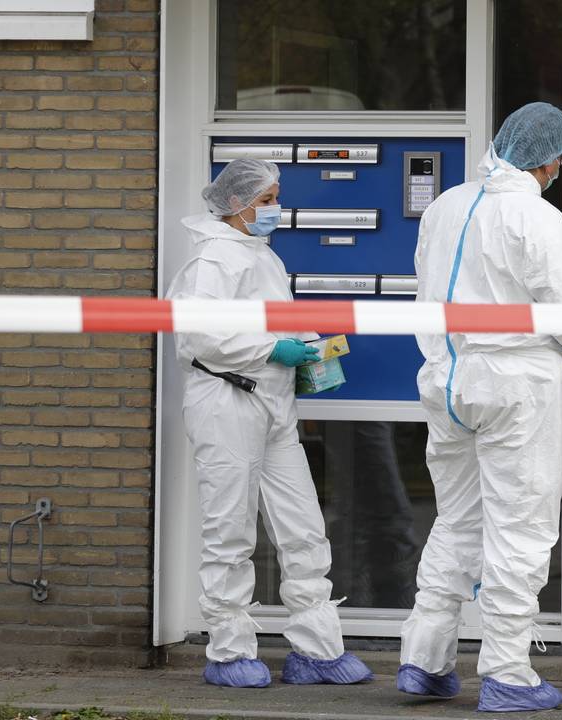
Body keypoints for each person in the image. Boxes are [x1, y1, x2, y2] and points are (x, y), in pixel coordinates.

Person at [398, 102, 562, 712]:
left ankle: (424, 661)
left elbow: (424, 286)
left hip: (447, 381)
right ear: (549, 159)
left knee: (457, 519)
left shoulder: (445, 206)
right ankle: (509, 672)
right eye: (561, 159)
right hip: (516, 385)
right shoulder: (535, 217)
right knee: (522, 527)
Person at [166, 158, 373, 688]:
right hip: (226, 401)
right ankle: (229, 652)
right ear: (237, 205)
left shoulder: (260, 255)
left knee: (303, 526)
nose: (274, 209)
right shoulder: (212, 260)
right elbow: (195, 337)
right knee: (229, 530)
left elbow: (267, 322)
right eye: (266, 200)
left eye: (275, 198)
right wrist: (272, 349)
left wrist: (307, 351)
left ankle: (317, 649)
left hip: (273, 403)